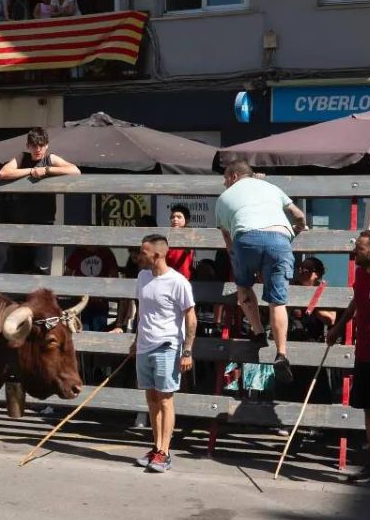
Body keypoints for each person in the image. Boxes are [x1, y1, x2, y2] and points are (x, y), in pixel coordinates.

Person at [215, 161, 308, 383]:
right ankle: (281, 354)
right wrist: (298, 228)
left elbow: (228, 239)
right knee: (277, 301)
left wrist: (238, 262)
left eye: (226, 179)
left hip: (246, 238)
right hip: (279, 240)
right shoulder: (271, 187)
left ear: (235, 176)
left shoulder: (223, 199)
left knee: (244, 286)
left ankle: (257, 332)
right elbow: (299, 214)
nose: (224, 183)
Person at [129, 234, 197, 473]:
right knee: (151, 398)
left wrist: (187, 351)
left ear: (157, 254)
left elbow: (191, 317)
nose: (140, 256)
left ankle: (165, 452)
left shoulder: (178, 282)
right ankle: (156, 447)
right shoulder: (142, 277)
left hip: (167, 346)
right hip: (144, 346)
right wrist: (136, 341)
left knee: (166, 399)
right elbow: (142, 312)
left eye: (143, 252)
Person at [327, 231, 370, 491]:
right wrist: (339, 327)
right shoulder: (362, 274)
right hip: (365, 354)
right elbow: (356, 301)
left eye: (360, 248)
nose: (355, 252)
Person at [64, 245, 120, 332]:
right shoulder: (78, 252)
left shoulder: (105, 252)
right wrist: (76, 290)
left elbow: (114, 275)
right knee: (80, 329)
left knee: (99, 331)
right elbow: (68, 273)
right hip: (80, 302)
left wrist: (102, 290)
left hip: (100, 302)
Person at [0, 127, 81, 182]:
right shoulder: (22, 157)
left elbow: (75, 171)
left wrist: (46, 170)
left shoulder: (50, 158)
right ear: (27, 146)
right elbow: (3, 173)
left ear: (47, 145)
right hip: (23, 208)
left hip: (45, 208)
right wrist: (31, 171)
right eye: (34, 146)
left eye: (41, 145)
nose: (38, 150)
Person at [165, 204, 195, 278]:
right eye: (172, 217)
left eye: (179, 217)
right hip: (169, 277)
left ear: (187, 220)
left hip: (185, 277)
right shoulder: (167, 236)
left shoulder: (190, 235)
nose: (175, 219)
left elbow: (188, 250)